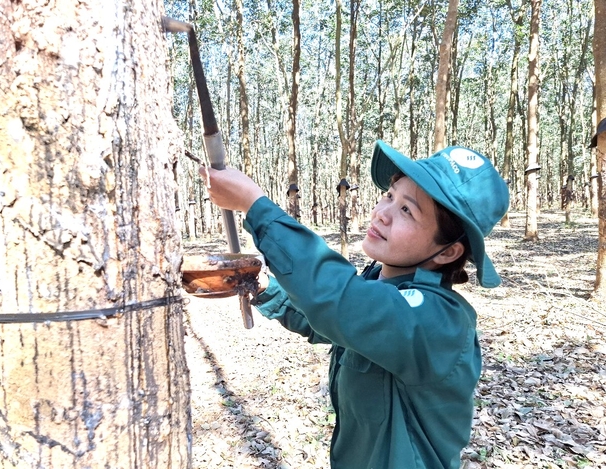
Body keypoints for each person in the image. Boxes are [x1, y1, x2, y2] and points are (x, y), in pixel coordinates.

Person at [199, 140, 509, 469]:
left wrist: (255, 205)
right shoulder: (379, 285)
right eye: (390, 196)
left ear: (447, 252)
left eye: (407, 210)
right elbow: (333, 324)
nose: (382, 213)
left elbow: (340, 302)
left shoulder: (439, 321)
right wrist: (262, 287)